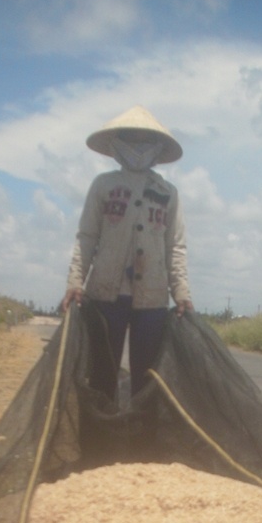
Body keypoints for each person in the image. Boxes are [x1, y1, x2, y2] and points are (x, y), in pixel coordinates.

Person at [62, 105, 193, 400]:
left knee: (147, 377)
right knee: (102, 373)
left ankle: (141, 428)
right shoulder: (104, 185)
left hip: (152, 299)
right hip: (105, 295)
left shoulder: (168, 192)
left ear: (157, 147)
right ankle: (102, 426)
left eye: (145, 140)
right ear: (118, 143)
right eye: (131, 138)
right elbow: (87, 237)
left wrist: (181, 291)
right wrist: (75, 282)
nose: (138, 146)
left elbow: (175, 246)